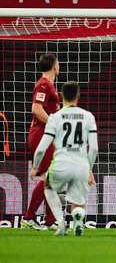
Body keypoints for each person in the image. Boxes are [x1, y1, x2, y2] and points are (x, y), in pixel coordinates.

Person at [30, 81, 98, 236]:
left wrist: (35, 167)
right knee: (78, 202)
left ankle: (61, 224)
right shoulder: (88, 117)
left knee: (47, 185)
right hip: (81, 164)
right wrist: (89, 169)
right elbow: (94, 148)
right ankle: (77, 217)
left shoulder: (55, 117)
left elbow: (41, 147)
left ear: (61, 96)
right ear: (78, 97)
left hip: (61, 163)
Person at [21, 52, 60, 230]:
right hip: (41, 135)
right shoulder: (43, 85)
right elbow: (36, 110)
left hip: (47, 135)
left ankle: (51, 221)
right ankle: (29, 218)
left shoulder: (48, 86)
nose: (59, 66)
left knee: (53, 177)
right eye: (58, 63)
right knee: (49, 178)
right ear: (54, 66)